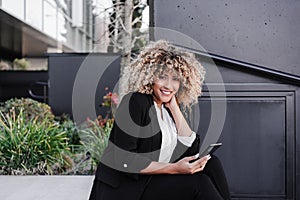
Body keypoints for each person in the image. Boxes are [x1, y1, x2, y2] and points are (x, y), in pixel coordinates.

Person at [89, 40, 231, 200]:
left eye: (175, 79)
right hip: (128, 187)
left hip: (152, 180)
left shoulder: (167, 108)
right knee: (199, 183)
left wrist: (174, 108)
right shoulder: (135, 102)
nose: (169, 85)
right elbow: (125, 160)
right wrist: (174, 169)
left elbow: (191, 151)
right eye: (163, 77)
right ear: (149, 77)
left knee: (212, 163)